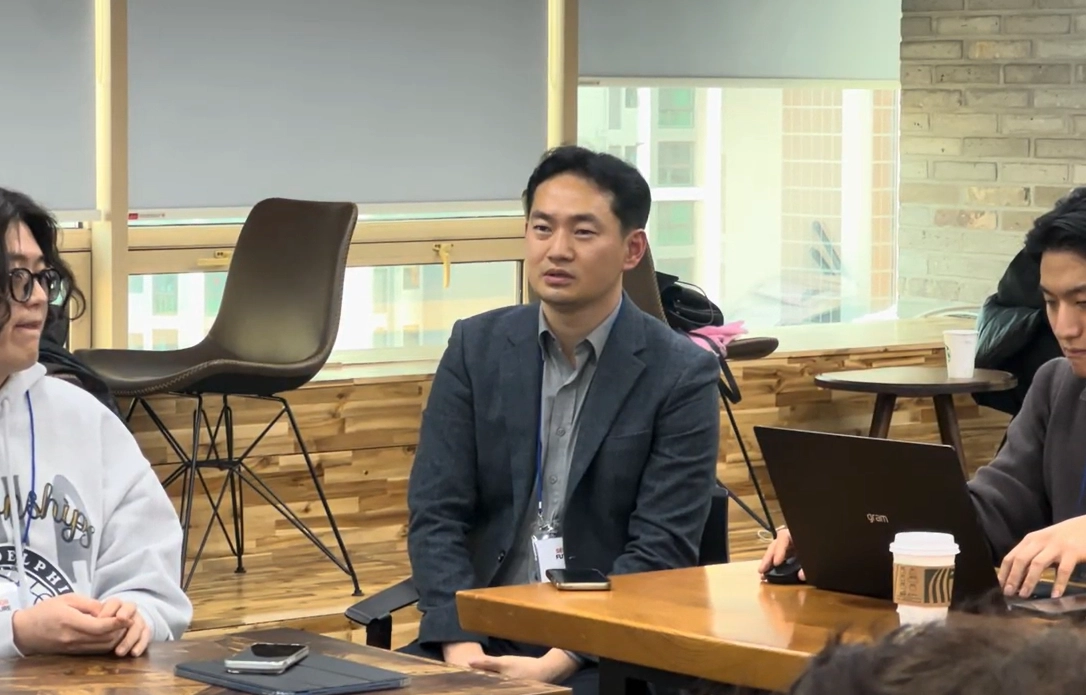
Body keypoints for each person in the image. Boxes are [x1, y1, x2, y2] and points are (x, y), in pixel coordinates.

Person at [404, 146, 722, 694]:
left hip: (606, 646)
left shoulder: (681, 373)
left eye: (583, 232)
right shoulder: (476, 347)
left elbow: (662, 547)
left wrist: (559, 661)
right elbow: (436, 513)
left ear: (632, 249)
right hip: (481, 633)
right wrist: (460, 644)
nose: (557, 250)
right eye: (542, 227)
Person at [759, 185, 1086, 601]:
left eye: (1083, 302)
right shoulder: (1057, 386)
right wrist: (841, 530)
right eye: (1051, 303)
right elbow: (987, 518)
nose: (1064, 327)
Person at [0, 188, 192, 659]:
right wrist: (16, 633)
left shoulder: (85, 419)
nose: (38, 297)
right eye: (16, 276)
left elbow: (150, 574)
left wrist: (134, 614)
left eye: (42, 276)